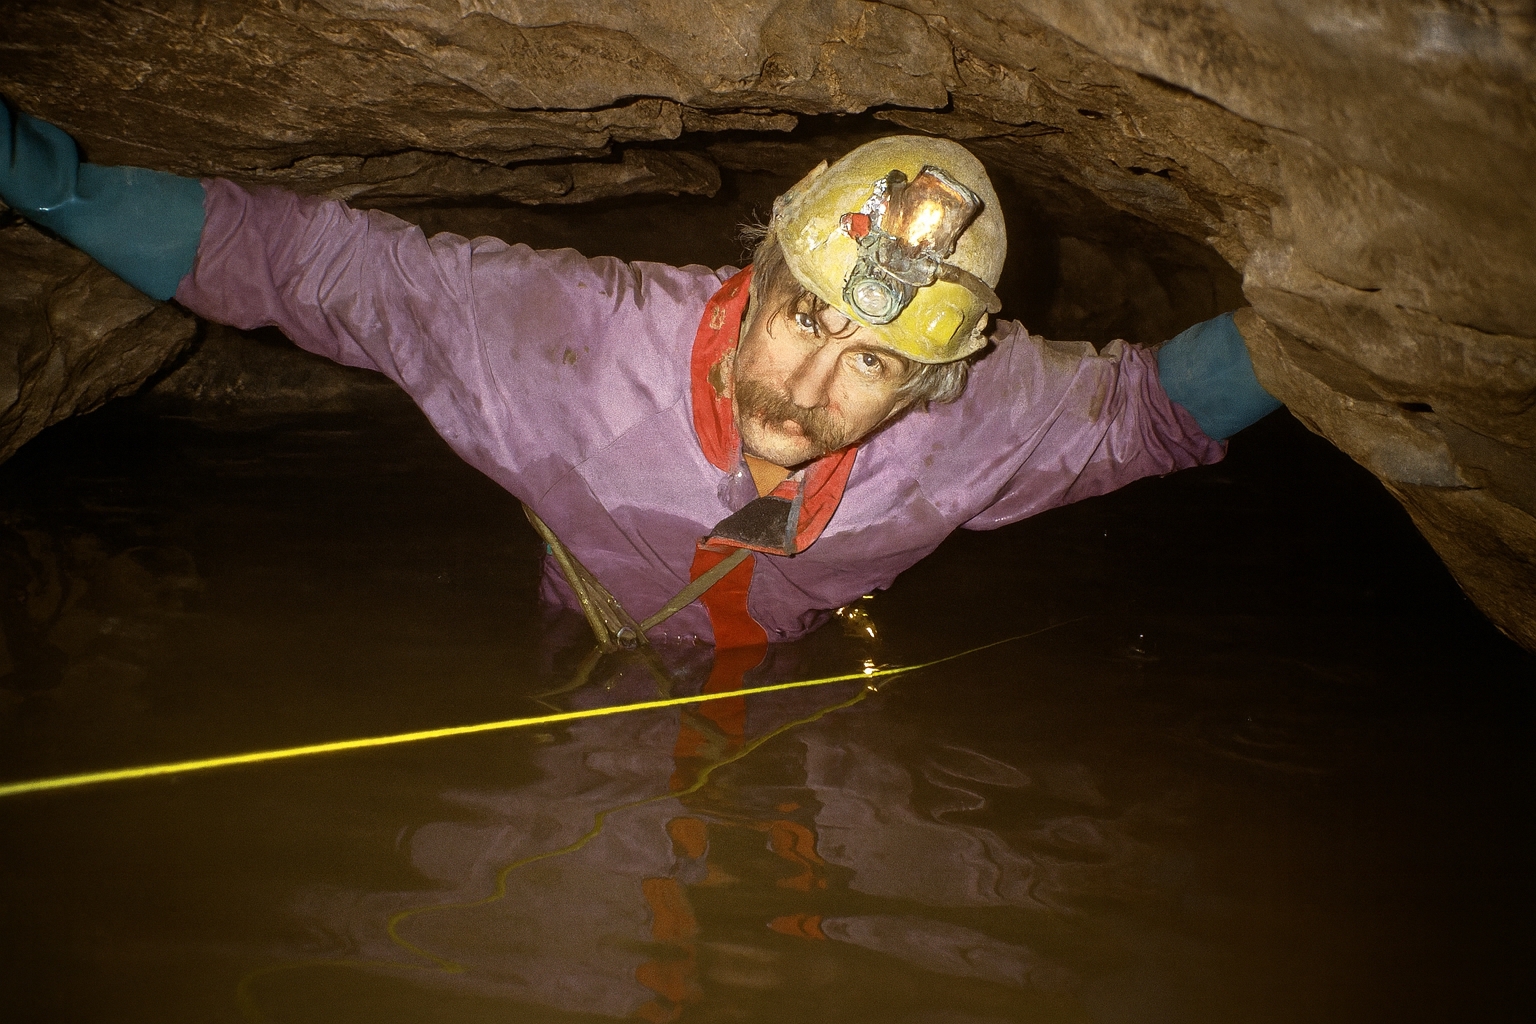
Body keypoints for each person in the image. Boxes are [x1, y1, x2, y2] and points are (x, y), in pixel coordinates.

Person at [1, 104, 1281, 649]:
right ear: (759, 271)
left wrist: (1306, 345)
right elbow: (323, 265)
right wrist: (52, 181)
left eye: (875, 360)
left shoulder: (985, 412)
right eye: (800, 318)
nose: (807, 386)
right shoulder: (565, 340)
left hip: (782, 653)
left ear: (934, 387)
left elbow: (1150, 410)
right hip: (584, 620)